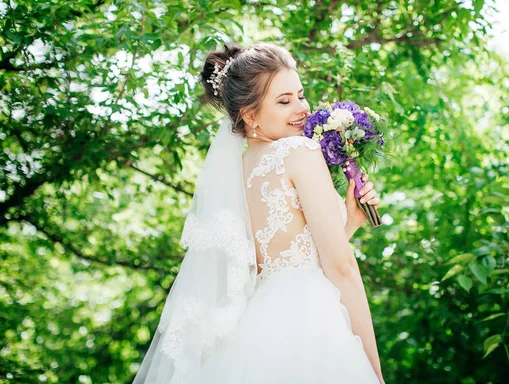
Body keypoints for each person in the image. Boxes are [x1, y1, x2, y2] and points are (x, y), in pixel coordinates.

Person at [132, 42, 384, 384]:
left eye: (300, 94)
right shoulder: (300, 150)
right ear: (250, 115)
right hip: (309, 326)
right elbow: (340, 268)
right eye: (284, 101)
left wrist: (350, 221)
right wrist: (373, 368)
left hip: (255, 332)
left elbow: (292, 259)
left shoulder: (236, 174)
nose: (302, 108)